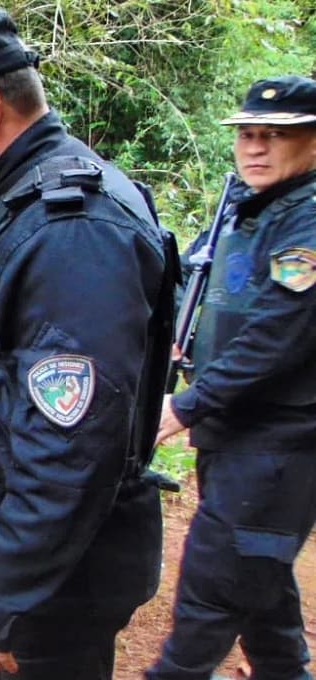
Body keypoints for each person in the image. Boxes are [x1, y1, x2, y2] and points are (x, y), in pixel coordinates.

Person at [0, 9, 176, 679]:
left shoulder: (70, 231)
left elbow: (73, 450)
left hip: (54, 585)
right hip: (31, 561)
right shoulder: (3, 199)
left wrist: (0, 593)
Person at [146, 75, 316, 680]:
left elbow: (282, 334)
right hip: (236, 440)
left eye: (276, 136)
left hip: (277, 447)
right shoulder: (248, 209)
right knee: (260, 590)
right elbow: (206, 286)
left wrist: (187, 405)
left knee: (211, 598)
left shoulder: (308, 221)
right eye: (247, 134)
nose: (256, 148)